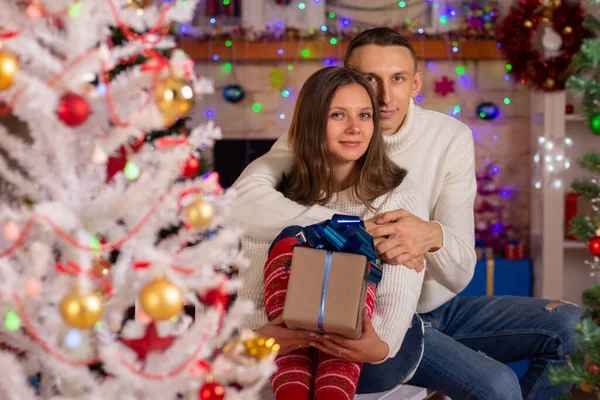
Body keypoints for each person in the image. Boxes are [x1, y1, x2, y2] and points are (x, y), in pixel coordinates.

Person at [232, 27, 581, 400]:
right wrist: (350, 230)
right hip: (348, 310)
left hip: (431, 309)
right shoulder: (305, 137)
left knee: (568, 327)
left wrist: (433, 235)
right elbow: (242, 204)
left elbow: (460, 273)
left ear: (416, 83)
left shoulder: (445, 141)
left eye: (397, 78)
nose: (384, 96)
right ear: (349, 78)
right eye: (369, 79)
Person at [236, 66, 428, 400]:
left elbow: (399, 291)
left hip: (371, 353)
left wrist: (378, 346)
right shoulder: (273, 196)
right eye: (338, 114)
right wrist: (260, 337)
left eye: (365, 115)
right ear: (312, 122)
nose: (355, 128)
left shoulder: (399, 195)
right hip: (287, 348)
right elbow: (252, 286)